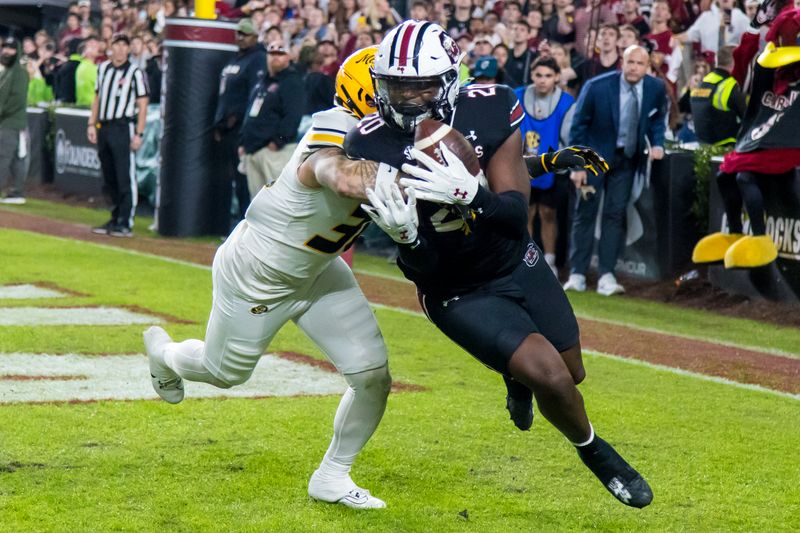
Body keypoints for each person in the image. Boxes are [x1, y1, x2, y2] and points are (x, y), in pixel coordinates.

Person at [346, 20, 652, 508]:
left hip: (513, 259)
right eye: (395, 86)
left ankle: (516, 379)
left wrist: (474, 195)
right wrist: (404, 238)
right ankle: (598, 454)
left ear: (449, 81)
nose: (405, 99)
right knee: (549, 374)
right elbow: (422, 268)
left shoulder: (489, 105)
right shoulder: (366, 143)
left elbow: (512, 216)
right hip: (454, 287)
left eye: (419, 86)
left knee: (571, 373)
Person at [144, 46, 392, 510]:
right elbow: (334, 173)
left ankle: (332, 476)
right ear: (368, 94)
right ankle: (164, 354)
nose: (414, 98)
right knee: (223, 374)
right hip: (260, 272)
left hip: (319, 269)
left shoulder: (405, 139)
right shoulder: (336, 126)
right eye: (398, 87)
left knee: (373, 375)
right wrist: (396, 182)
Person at [565, 45, 667, 296]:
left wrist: (657, 143)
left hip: (627, 159)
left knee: (615, 215)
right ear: (622, 62)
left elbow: (657, 118)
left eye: (639, 64)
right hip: (593, 159)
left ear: (647, 67)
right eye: (630, 62)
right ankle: (577, 273)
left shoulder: (656, 88)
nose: (633, 67)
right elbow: (578, 125)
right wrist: (577, 165)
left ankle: (606, 275)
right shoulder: (597, 86)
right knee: (585, 211)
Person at [515, 56, 576, 276]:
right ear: (532, 76)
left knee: (548, 214)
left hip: (552, 166)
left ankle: (549, 261)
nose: (542, 80)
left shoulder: (567, 102)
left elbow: (570, 136)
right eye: (538, 75)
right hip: (521, 163)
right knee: (527, 213)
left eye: (548, 76)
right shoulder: (517, 96)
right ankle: (527, 259)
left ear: (557, 77)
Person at [87, 33, 149, 237]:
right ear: (111, 47)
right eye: (118, 44)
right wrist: (91, 123)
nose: (121, 49)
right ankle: (114, 217)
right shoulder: (103, 68)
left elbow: (142, 104)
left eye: (125, 45)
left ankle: (125, 221)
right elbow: (97, 98)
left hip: (123, 127)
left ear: (129, 49)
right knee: (109, 175)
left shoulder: (135, 72)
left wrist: (139, 133)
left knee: (124, 175)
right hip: (104, 126)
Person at [214, 18, 266, 225]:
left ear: (255, 36)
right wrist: (218, 122)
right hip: (226, 128)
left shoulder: (258, 59)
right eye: (239, 33)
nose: (240, 37)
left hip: (241, 129)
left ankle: (245, 225)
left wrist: (239, 122)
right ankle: (231, 224)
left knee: (244, 180)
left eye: (245, 34)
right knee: (231, 179)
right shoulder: (235, 59)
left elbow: (254, 94)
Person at [238, 42, 305, 200]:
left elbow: (293, 116)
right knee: (257, 201)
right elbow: (249, 112)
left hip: (275, 152)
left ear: (288, 57)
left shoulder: (292, 81)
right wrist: (242, 141)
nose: (275, 57)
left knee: (277, 201)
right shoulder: (262, 81)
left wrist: (278, 141)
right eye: (272, 53)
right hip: (253, 149)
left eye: (280, 54)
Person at [0, 36, 30, 204]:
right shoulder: (8, 72)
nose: (6, 51)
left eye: (10, 48)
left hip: (11, 121)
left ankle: (16, 192)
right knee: (15, 158)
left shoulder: (18, 72)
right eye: (4, 47)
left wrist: (1, 112)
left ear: (17, 51)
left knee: (4, 157)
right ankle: (17, 192)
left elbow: (16, 100)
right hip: (8, 121)